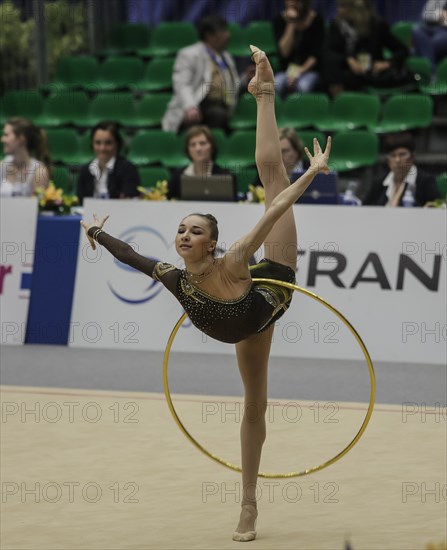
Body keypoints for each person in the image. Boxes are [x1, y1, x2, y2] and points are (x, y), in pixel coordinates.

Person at [81, 46, 331, 541]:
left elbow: (275, 206)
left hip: (270, 284)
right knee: (252, 406)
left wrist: (311, 171)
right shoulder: (173, 277)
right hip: (244, 322)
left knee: (270, 175)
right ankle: (249, 505)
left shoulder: (235, 255)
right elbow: (130, 256)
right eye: (180, 230)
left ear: (211, 243)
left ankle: (264, 92)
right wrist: (97, 234)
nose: (184, 237)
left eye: (194, 231)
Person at [162, 16, 245, 134]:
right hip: (197, 105)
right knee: (217, 115)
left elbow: (233, 85)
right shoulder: (189, 54)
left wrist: (246, 78)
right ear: (209, 36)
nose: (228, 35)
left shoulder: (226, 57)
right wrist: (190, 106)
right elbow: (182, 84)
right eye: (223, 31)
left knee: (220, 114)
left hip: (221, 106)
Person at [323, 0, 411, 96]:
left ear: (357, 9)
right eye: (339, 7)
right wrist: (348, 59)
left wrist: (387, 63)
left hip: (370, 72)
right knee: (329, 66)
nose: (339, 11)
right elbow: (329, 51)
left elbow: (402, 50)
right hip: (344, 70)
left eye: (343, 7)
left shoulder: (377, 26)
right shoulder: (337, 26)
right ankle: (340, 102)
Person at [363, 132, 440, 206]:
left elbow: (434, 209)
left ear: (412, 157)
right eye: (392, 155)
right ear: (387, 160)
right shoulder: (379, 183)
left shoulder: (426, 182)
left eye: (402, 154)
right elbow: (364, 208)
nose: (397, 160)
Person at [76, 121, 140, 205]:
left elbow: (129, 201)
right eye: (98, 143)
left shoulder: (128, 169)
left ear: (117, 144)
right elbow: (80, 202)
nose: (102, 148)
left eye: (108, 143)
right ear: (92, 144)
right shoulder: (86, 170)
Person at [167, 124, 237, 200]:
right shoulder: (178, 176)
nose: (198, 148)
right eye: (193, 145)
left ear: (212, 147)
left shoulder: (225, 176)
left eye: (202, 143)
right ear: (188, 150)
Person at [273, 0, 325, 96]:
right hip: (286, 71)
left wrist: (299, 73)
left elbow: (316, 55)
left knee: (303, 86)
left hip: (309, 71)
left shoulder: (317, 20)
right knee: (276, 85)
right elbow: (284, 52)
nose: (292, 3)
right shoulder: (279, 20)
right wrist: (291, 22)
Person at [0, 117, 50, 197]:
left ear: (21, 139)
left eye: (6, 135)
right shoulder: (1, 166)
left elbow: (37, 206)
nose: (2, 139)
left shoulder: (40, 172)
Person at [412, 0, 447, 72]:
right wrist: (442, 15)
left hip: (444, 32)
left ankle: (431, 71)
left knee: (416, 51)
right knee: (417, 30)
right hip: (433, 28)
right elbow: (426, 14)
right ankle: (432, 72)